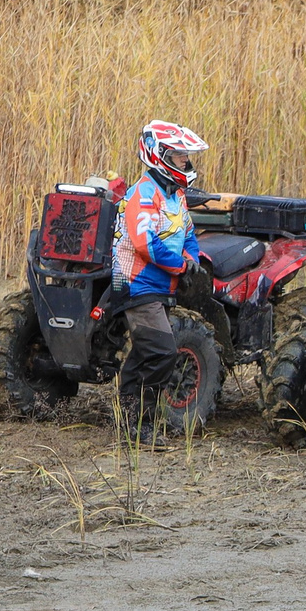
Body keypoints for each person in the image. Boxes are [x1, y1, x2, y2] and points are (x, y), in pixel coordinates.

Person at [113, 121, 206, 437]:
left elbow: (189, 233)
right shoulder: (144, 193)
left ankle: (130, 421)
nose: (185, 160)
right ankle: (143, 423)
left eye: (185, 155)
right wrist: (180, 266)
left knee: (143, 353)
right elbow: (145, 243)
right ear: (160, 155)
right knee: (163, 352)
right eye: (180, 155)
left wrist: (191, 259)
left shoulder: (176, 194)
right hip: (137, 284)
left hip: (159, 286)